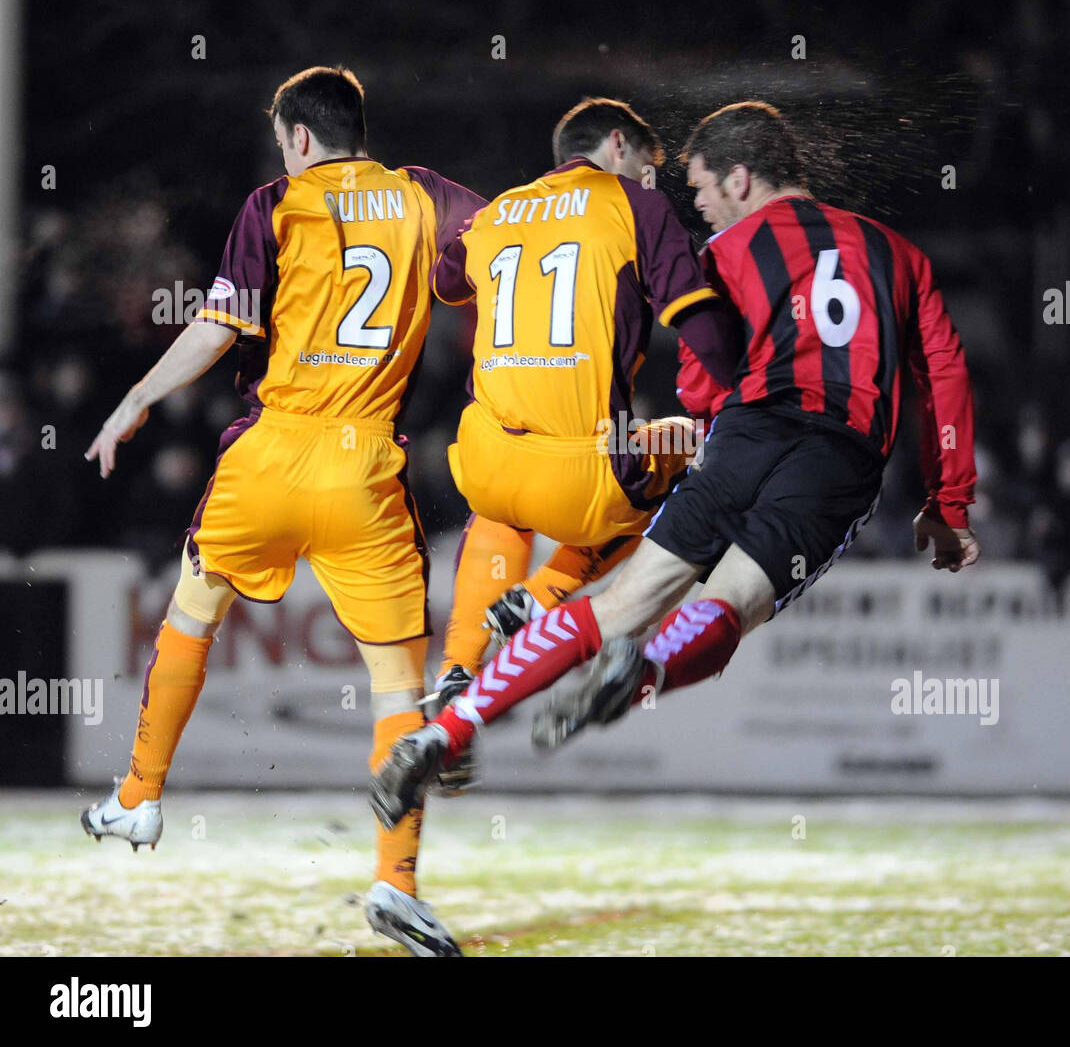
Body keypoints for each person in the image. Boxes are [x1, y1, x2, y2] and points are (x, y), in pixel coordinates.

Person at [371, 100, 978, 830]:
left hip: (741, 428)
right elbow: (942, 366)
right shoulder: (898, 253)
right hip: (837, 454)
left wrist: (703, 423)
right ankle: (647, 671)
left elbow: (699, 382)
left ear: (741, 178)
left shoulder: (723, 256)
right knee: (730, 606)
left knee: (621, 601)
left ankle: (447, 729)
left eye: (700, 189)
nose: (693, 203)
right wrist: (948, 501)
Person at [80, 66, 482, 957]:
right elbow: (504, 263)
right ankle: (397, 882)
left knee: (189, 618)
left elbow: (220, 325)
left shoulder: (275, 204)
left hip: (269, 454)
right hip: (366, 465)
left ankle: (140, 797)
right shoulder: (424, 197)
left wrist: (135, 399)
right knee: (396, 690)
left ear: (298, 138)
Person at [423, 98, 740, 710]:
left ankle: (458, 669)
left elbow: (447, 280)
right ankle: (541, 596)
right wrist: (742, 389)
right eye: (649, 164)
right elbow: (694, 317)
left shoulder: (499, 212)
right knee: (685, 443)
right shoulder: (636, 204)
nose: (655, 179)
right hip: (585, 478)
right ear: (617, 145)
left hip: (488, 464)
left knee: (500, 504)